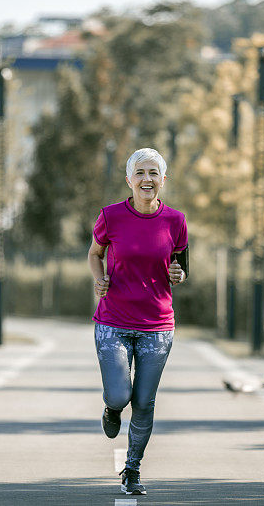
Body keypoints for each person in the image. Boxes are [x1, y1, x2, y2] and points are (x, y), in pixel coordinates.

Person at [87, 147, 188, 495]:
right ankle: (111, 409)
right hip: (113, 321)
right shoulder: (111, 216)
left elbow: (181, 264)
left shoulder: (176, 220)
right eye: (140, 173)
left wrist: (180, 273)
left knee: (144, 402)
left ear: (163, 179)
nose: (147, 179)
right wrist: (99, 279)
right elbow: (95, 253)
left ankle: (132, 469)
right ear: (129, 180)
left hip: (157, 327)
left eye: (153, 173)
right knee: (120, 395)